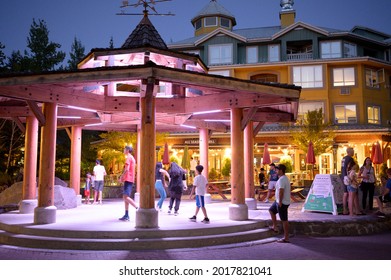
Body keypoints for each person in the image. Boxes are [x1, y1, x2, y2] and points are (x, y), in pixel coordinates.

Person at [268, 164, 291, 243]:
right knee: (271, 210)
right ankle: (275, 226)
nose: (276, 171)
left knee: (284, 220)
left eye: (277, 170)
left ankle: (286, 237)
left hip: (282, 202)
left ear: (281, 170)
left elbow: (281, 191)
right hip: (278, 201)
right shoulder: (283, 178)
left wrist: (280, 202)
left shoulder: (282, 179)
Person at [118, 146, 138, 221]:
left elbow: (126, 169)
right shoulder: (132, 157)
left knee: (125, 197)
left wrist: (121, 177)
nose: (123, 150)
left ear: (128, 150)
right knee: (125, 197)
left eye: (124, 149)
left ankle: (137, 207)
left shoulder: (128, 158)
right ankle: (126, 215)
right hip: (130, 179)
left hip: (128, 179)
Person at [341, 147, 355, 215]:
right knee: (350, 194)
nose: (353, 152)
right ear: (349, 152)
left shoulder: (343, 158)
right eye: (353, 151)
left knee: (345, 193)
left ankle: (344, 209)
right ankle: (351, 210)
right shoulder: (350, 159)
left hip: (343, 176)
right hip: (347, 177)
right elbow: (350, 168)